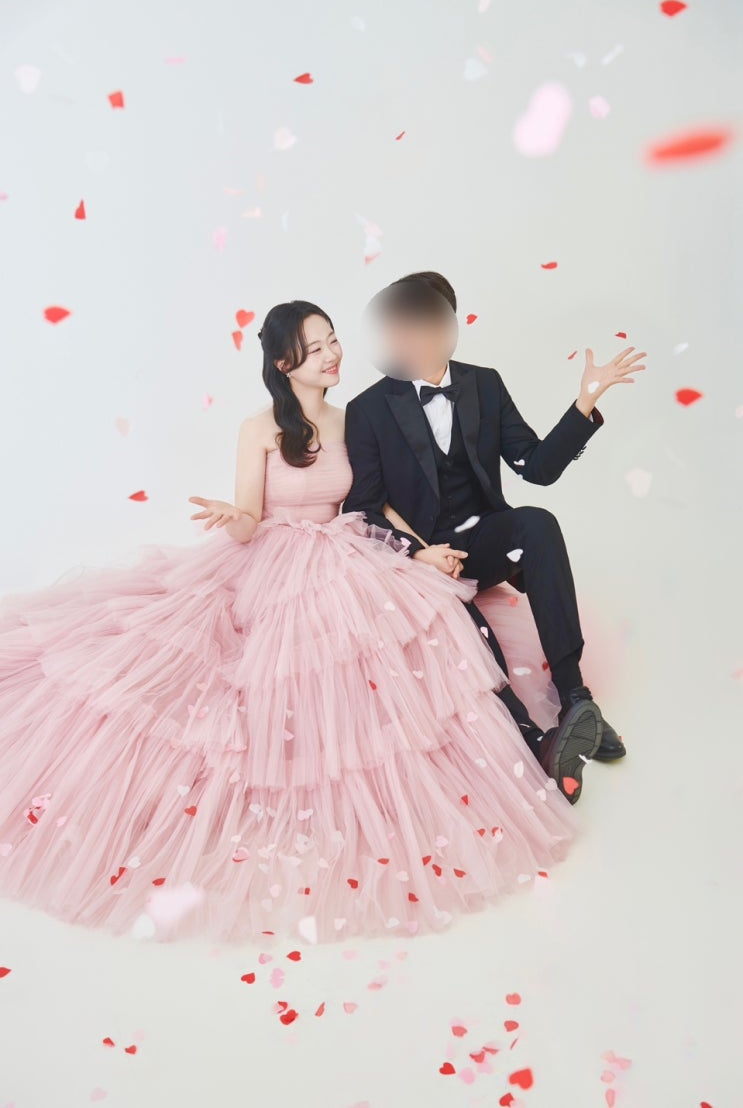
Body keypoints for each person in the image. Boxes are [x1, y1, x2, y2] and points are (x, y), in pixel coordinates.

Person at [0, 300, 579, 945]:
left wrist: (420, 551)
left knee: (417, 625)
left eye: (333, 340)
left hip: (346, 548)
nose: (332, 354)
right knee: (264, 667)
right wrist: (235, 516)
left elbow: (375, 501)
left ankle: (533, 730)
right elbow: (251, 518)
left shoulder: (355, 417)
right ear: (283, 364)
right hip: (274, 556)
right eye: (315, 347)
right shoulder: (260, 428)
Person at [342, 272, 647, 800]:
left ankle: (577, 701)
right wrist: (419, 555)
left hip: (482, 540)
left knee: (538, 521)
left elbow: (535, 467)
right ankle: (534, 740)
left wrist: (584, 403)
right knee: (463, 625)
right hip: (425, 562)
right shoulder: (367, 409)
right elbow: (363, 507)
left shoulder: (484, 383)